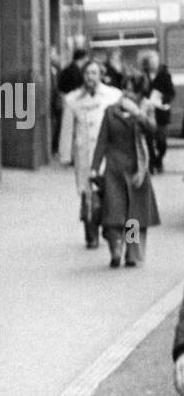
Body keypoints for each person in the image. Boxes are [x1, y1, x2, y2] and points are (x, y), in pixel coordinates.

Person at [90, 88, 160, 268]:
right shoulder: (110, 112)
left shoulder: (143, 110)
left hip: (137, 169)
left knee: (133, 215)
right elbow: (102, 140)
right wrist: (95, 167)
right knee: (114, 212)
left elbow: (152, 130)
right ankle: (116, 249)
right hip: (114, 169)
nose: (129, 93)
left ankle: (131, 254)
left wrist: (138, 113)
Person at [59, 59, 121, 248]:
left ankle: (122, 242)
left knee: (113, 196)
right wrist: (65, 155)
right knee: (88, 194)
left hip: (108, 154)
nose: (90, 77)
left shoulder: (113, 96)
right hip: (84, 153)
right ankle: (92, 232)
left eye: (94, 73)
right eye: (87, 73)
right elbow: (67, 129)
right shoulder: (73, 100)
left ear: (100, 75)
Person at [137, 50, 175, 174]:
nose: (154, 63)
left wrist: (162, 99)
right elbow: (140, 92)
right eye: (152, 61)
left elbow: (171, 92)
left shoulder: (164, 75)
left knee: (162, 142)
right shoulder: (143, 76)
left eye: (156, 60)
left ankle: (159, 159)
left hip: (161, 112)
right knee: (149, 139)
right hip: (148, 112)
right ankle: (152, 162)